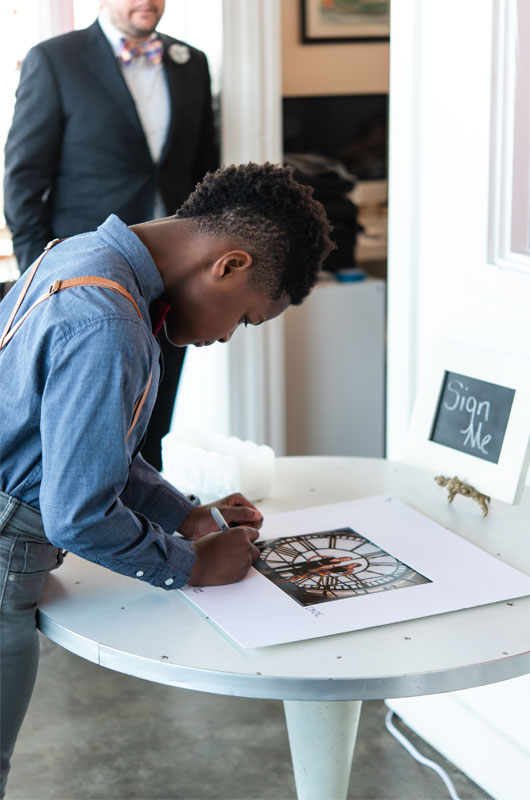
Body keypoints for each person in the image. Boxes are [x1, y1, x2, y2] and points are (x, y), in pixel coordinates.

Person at [0, 161, 333, 796]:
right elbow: (79, 513)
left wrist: (184, 513)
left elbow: (87, 447)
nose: (228, 336)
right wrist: (190, 564)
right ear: (229, 265)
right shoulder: (110, 323)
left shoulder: (81, 253)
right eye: (245, 319)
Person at [3, 0, 218, 471]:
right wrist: (41, 274)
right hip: (88, 283)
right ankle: (94, 529)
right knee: (89, 430)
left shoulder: (191, 62)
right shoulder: (55, 59)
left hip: (175, 280)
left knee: (154, 418)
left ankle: (151, 529)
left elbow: (207, 173)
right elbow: (23, 180)